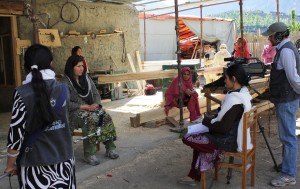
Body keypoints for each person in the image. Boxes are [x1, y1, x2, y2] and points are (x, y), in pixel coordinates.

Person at [4, 44, 76, 188]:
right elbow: (66, 123)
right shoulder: (63, 89)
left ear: (27, 66)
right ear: (51, 63)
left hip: (34, 166)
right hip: (65, 161)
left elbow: (16, 134)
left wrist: (10, 164)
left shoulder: (21, 93)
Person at [178, 64, 252, 186]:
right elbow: (224, 118)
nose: (224, 80)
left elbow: (222, 128)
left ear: (234, 79)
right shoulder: (243, 94)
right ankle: (194, 174)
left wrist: (206, 121)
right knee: (198, 135)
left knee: (187, 136)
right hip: (229, 136)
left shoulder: (235, 101)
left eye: (226, 78)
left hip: (226, 141)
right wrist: (212, 119)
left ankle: (211, 156)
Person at [262, 22, 300, 187]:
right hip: (286, 98)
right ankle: (287, 166)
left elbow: (293, 78)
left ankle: (288, 175)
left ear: (279, 35)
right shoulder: (284, 49)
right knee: (287, 136)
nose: (269, 38)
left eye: (271, 35)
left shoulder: (285, 51)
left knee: (288, 138)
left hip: (286, 99)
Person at [63, 55, 119, 166]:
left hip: (90, 107)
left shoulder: (86, 79)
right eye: (78, 66)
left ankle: (110, 148)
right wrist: (83, 107)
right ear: (71, 67)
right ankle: (89, 154)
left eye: (82, 66)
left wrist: (96, 104)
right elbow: (65, 103)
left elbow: (95, 93)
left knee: (105, 116)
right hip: (74, 112)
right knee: (90, 119)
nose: (81, 69)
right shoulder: (65, 83)